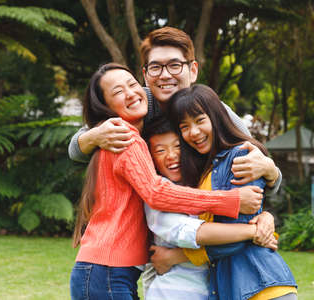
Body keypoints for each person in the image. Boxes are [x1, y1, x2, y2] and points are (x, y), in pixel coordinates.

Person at [69, 64, 264, 300]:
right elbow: (156, 193)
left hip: (109, 271)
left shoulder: (128, 137)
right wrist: (232, 200)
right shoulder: (123, 137)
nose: (130, 93)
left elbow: (238, 137)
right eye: (118, 92)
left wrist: (270, 171)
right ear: (105, 106)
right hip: (106, 270)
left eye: (132, 84)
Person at [68, 27, 281, 193]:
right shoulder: (136, 101)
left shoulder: (214, 112)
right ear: (145, 74)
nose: (165, 75)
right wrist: (96, 136)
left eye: (175, 65)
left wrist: (272, 173)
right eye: (156, 67)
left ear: (193, 70)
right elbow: (76, 148)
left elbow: (257, 162)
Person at [159, 84, 298, 300]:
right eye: (184, 127)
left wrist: (175, 256)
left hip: (262, 286)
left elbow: (237, 234)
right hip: (233, 288)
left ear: (216, 117)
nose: (193, 132)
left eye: (199, 120)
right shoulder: (206, 168)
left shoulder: (241, 157)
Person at [140, 117, 278, 300]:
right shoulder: (158, 192)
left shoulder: (204, 182)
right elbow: (190, 233)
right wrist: (254, 231)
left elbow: (228, 225)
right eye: (160, 150)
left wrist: (265, 217)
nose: (171, 155)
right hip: (173, 292)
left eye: (177, 146)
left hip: (214, 290)